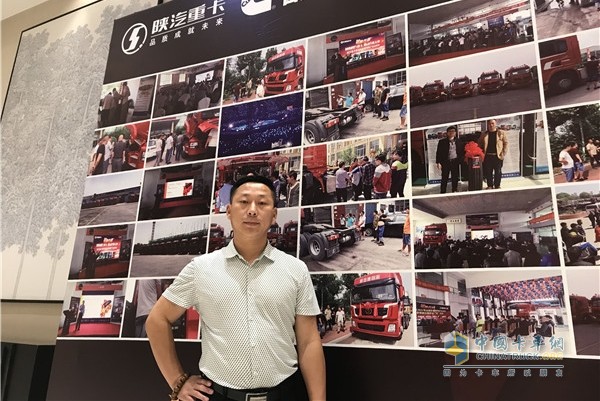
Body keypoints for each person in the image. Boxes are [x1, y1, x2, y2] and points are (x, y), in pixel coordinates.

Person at [146, 175, 326, 401]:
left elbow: (309, 341)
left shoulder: (295, 269)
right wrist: (177, 381)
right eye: (244, 202)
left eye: (262, 203)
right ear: (229, 211)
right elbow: (157, 320)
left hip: (285, 394)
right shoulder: (201, 269)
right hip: (219, 395)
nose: (252, 210)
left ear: (274, 215)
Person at [478, 119, 508, 189]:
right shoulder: (484, 134)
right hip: (488, 156)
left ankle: (497, 185)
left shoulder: (501, 133)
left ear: (495, 124)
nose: (491, 125)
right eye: (489, 124)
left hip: (497, 156)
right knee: (488, 172)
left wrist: (503, 153)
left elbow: (506, 143)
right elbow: (479, 144)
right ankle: (490, 185)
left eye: (492, 123)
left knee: (498, 172)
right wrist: (481, 154)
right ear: (487, 125)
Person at [436, 126, 464, 193]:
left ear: (455, 133)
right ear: (447, 133)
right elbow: (438, 152)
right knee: (444, 177)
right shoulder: (442, 142)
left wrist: (461, 160)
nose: (451, 133)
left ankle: (454, 190)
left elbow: (461, 151)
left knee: (455, 177)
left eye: (453, 131)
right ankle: (443, 191)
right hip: (445, 162)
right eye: (450, 131)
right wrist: (438, 162)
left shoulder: (459, 141)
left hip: (455, 162)